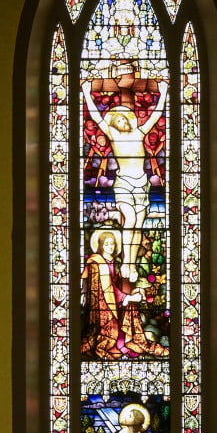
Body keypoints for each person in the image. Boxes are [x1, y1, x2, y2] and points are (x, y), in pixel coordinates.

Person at [82, 78, 168, 282]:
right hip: (124, 184)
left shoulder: (139, 132)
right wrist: (86, 92)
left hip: (142, 184)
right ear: (113, 123)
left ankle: (131, 264)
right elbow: (96, 116)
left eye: (125, 119)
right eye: (119, 120)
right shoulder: (113, 135)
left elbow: (155, 116)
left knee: (138, 225)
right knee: (129, 220)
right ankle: (125, 264)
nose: (123, 122)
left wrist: (164, 92)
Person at [80, 229, 167, 360]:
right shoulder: (96, 263)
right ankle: (114, 341)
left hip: (115, 298)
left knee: (131, 304)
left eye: (112, 244)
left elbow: (118, 282)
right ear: (100, 245)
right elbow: (105, 287)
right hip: (103, 302)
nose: (110, 247)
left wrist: (134, 291)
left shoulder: (115, 262)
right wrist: (126, 297)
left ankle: (128, 339)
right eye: (106, 244)